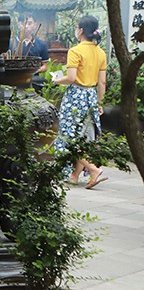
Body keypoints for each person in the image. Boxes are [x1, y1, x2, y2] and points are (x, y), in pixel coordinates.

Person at [52, 15, 109, 188]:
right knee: (83, 137)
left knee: (67, 137)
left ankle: (93, 169)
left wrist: (56, 79)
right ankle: (75, 176)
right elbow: (102, 82)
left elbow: (71, 77)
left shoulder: (76, 51)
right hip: (91, 96)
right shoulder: (100, 52)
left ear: (81, 30)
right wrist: (100, 103)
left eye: (77, 27)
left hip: (75, 97)